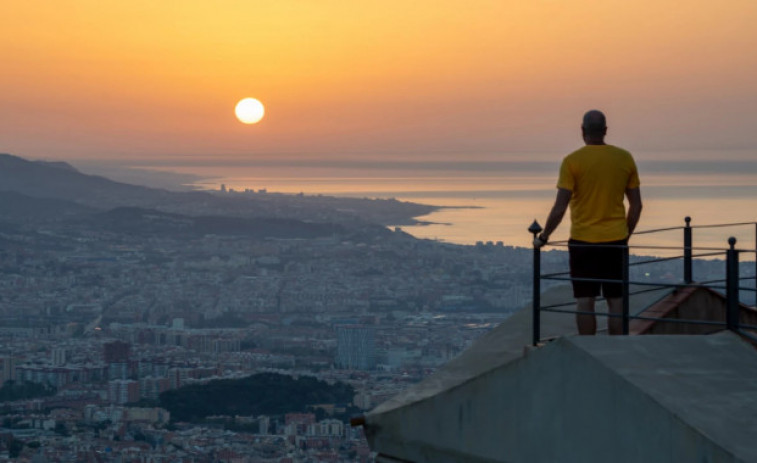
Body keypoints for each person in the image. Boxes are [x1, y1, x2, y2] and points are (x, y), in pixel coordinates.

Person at [533, 110, 642, 335]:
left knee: (584, 301)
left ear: (582, 131)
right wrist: (625, 234)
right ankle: (617, 348)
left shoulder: (572, 162)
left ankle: (588, 348)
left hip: (583, 241)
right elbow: (637, 206)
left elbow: (560, 208)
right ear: (605, 131)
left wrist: (544, 236)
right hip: (615, 240)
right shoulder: (624, 158)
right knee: (616, 300)